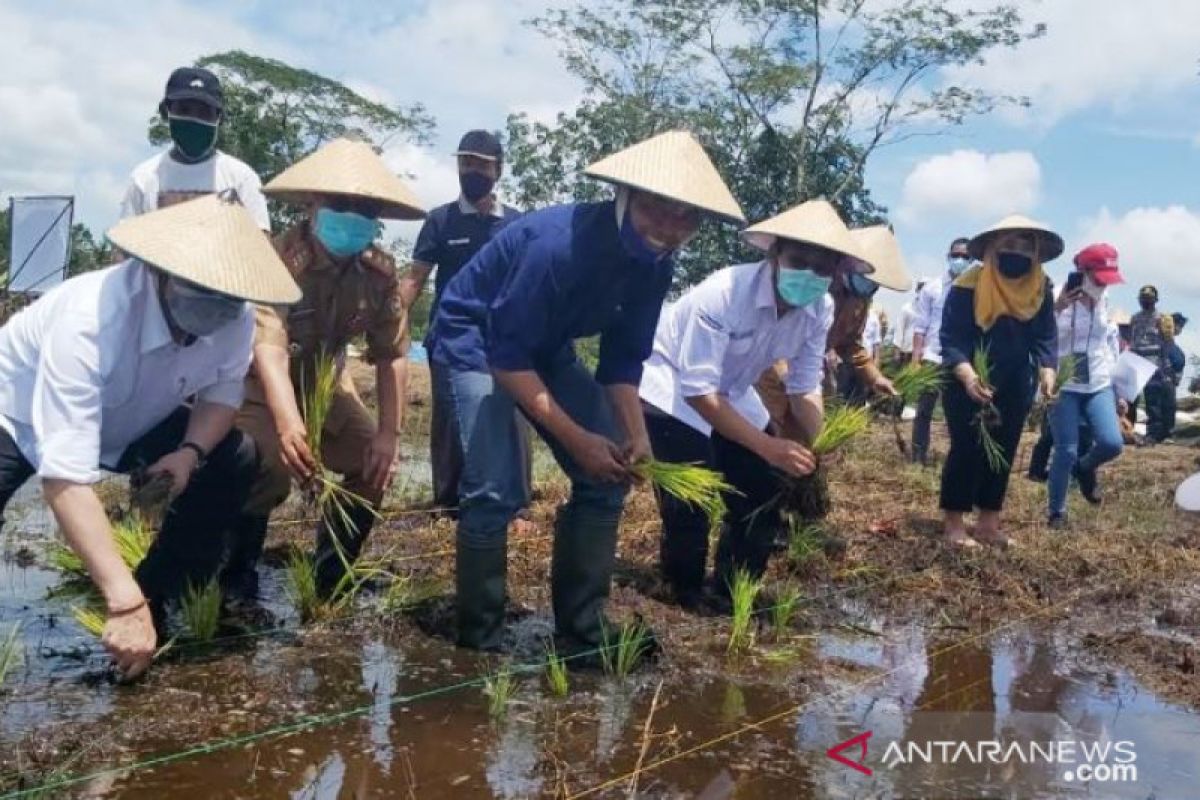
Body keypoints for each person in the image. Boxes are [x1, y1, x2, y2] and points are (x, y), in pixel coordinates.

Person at [429, 130, 744, 651]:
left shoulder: (656, 264)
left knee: (610, 475)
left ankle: (582, 628)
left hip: (547, 346)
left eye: (687, 217)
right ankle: (479, 634)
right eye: (658, 208)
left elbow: (623, 360)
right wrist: (577, 440)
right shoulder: (558, 245)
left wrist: (635, 433)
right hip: (478, 339)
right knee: (494, 489)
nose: (670, 227)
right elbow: (506, 358)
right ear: (625, 195)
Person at [0, 194, 300, 679]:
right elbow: (63, 479)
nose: (217, 305)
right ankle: (131, 607)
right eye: (203, 290)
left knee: (235, 458)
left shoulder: (236, 317)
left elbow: (222, 398)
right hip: (16, 413)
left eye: (228, 296)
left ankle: (156, 597)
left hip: (131, 417)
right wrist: (119, 601)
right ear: (161, 272)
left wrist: (188, 453)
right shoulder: (91, 320)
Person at [224, 138, 425, 601]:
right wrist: (288, 421)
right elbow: (268, 346)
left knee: (374, 466)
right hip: (258, 382)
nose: (351, 215)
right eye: (340, 203)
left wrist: (389, 436)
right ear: (313, 204)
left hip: (324, 381)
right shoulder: (278, 261)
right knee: (266, 466)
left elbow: (391, 354)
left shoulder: (378, 275)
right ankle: (235, 582)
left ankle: (330, 577)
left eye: (363, 208)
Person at [639, 201, 868, 607]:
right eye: (800, 260)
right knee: (693, 497)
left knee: (761, 488)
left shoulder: (821, 308)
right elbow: (698, 391)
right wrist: (769, 446)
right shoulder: (725, 294)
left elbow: (803, 384)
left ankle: (735, 588)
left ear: (835, 273)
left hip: (732, 389)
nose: (809, 275)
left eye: (822, 268)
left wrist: (820, 441)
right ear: (774, 253)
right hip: (672, 386)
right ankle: (684, 589)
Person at [399, 130, 530, 516]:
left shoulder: (517, 224)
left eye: (481, 164)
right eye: (465, 162)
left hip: (502, 336)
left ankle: (515, 501)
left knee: (513, 414)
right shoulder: (441, 220)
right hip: (450, 334)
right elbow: (415, 277)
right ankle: (449, 500)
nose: (471, 170)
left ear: (498, 169)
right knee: (450, 418)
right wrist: (394, 322)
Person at [938, 215, 1060, 548]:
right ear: (992, 248)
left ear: (1036, 252)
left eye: (1025, 245)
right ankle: (954, 522)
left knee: (1003, 449)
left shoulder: (1041, 288)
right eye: (1008, 244)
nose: (1016, 251)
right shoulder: (968, 285)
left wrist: (1049, 371)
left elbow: (1046, 335)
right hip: (968, 376)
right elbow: (951, 337)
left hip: (1016, 379)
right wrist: (967, 375)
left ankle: (989, 523)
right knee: (967, 447)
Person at [756, 226, 911, 439]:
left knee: (808, 435)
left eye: (874, 283)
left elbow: (849, 344)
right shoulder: (810, 288)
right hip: (771, 371)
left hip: (808, 373)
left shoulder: (858, 301)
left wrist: (874, 377)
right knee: (774, 431)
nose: (868, 284)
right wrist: (785, 373)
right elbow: (776, 330)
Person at [120, 67, 270, 231]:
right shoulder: (143, 179)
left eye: (204, 112)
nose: (194, 118)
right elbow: (123, 252)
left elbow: (261, 250)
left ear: (219, 118)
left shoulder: (242, 179)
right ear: (166, 112)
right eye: (184, 110)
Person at [1046, 244, 1125, 528]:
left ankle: (1083, 468)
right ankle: (1056, 512)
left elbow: (1109, 344)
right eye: (1099, 278)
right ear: (1083, 271)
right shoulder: (1057, 296)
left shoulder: (1105, 300)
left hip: (1098, 381)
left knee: (1112, 443)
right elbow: (1040, 335)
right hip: (1063, 382)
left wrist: (1119, 389)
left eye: (1108, 279)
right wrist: (1057, 309)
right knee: (1065, 449)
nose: (1104, 284)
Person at [910, 238, 973, 465]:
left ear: (972, 259)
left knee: (957, 413)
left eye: (965, 256)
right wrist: (916, 360)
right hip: (932, 357)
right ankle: (918, 455)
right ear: (948, 256)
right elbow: (920, 327)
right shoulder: (932, 288)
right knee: (924, 409)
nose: (960, 260)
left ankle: (957, 459)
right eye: (956, 255)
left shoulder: (975, 290)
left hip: (960, 361)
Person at [1128, 285, 1176, 444]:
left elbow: (1168, 344)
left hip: (1155, 361)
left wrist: (1164, 366)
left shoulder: (1163, 319)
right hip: (1136, 360)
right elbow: (1132, 340)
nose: (1145, 301)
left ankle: (1153, 434)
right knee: (1130, 399)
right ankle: (1128, 432)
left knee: (1153, 400)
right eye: (1143, 298)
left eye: (1149, 298)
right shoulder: (1134, 318)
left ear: (1155, 300)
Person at [892, 279, 926, 365]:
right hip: (907, 351)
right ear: (917, 290)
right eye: (921, 288)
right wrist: (896, 352)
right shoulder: (907, 308)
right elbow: (899, 330)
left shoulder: (928, 311)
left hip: (923, 354)